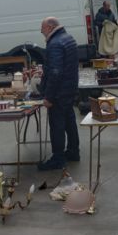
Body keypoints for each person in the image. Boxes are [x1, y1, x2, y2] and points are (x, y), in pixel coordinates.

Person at [38, 16, 80, 171]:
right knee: (69, 121)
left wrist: (48, 96)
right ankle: (73, 151)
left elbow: (55, 72)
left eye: (42, 28)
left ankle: (58, 158)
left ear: (50, 27)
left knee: (57, 125)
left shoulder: (55, 44)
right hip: (69, 89)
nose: (41, 31)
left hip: (59, 92)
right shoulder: (68, 38)